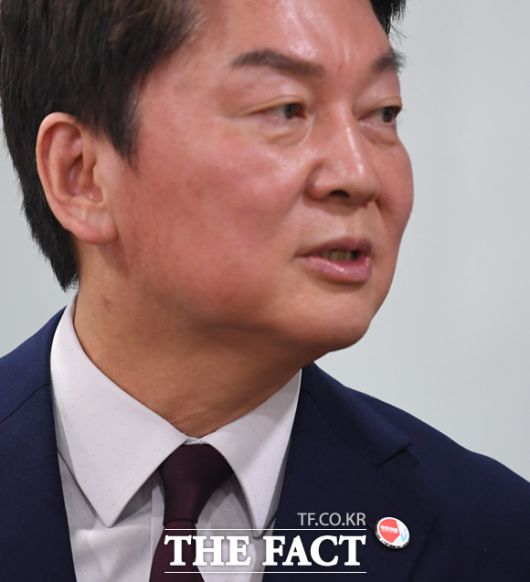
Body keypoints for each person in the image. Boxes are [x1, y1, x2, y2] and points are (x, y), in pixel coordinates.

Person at [0, 1, 528, 581]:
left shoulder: (495, 538)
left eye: (382, 112)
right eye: (285, 109)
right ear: (82, 174)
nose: (359, 174)